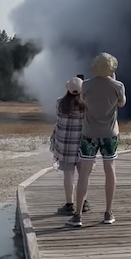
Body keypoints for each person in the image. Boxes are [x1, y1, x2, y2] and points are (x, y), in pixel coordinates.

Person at [69, 53, 126, 227]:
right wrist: (113, 82)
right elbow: (122, 103)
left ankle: (78, 215)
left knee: (84, 173)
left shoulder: (86, 85)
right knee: (110, 171)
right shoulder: (118, 85)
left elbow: (81, 102)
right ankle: (108, 213)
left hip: (89, 133)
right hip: (109, 134)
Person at [52, 76, 90, 216]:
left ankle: (69, 204)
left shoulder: (59, 103)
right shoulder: (87, 105)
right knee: (83, 175)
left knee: (68, 176)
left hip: (65, 147)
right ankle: (83, 202)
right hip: (82, 146)